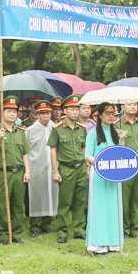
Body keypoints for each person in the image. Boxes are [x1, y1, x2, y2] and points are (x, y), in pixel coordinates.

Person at [0, 96, 31, 245]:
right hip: (2, 172)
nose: (12, 114)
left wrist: (27, 171)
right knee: (2, 203)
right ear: (3, 113)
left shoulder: (20, 132)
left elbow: (25, 152)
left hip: (18, 172)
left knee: (18, 204)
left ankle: (16, 233)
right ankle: (3, 233)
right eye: (9, 111)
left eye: (14, 111)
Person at [82, 102, 124, 254]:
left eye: (113, 113)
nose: (111, 115)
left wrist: (123, 140)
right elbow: (88, 156)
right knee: (98, 208)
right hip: (99, 174)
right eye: (107, 113)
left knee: (113, 206)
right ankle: (98, 244)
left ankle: (114, 243)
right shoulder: (92, 133)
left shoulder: (117, 132)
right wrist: (102, 164)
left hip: (114, 175)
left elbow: (122, 154)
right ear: (99, 115)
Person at [48, 94, 89, 244]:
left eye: (77, 109)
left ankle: (79, 230)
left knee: (80, 201)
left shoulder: (82, 129)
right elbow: (53, 150)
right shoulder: (57, 129)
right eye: (72, 109)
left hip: (80, 168)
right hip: (66, 168)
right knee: (65, 202)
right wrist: (55, 171)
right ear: (65, 111)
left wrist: (87, 167)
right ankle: (62, 231)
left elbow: (84, 149)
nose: (75, 112)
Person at [118, 101, 138, 238]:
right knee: (124, 199)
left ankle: (136, 229)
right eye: (129, 104)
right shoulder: (117, 125)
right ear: (122, 107)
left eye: (135, 104)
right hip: (125, 165)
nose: (133, 107)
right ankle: (124, 229)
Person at [25, 100, 57, 237]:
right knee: (36, 196)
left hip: (52, 167)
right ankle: (34, 226)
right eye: (42, 113)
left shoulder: (55, 128)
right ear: (37, 114)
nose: (46, 116)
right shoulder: (30, 130)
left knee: (51, 194)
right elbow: (25, 150)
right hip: (36, 168)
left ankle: (46, 224)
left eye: (48, 113)